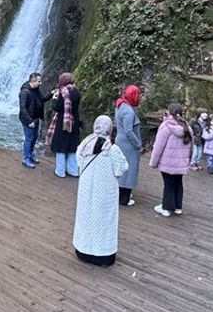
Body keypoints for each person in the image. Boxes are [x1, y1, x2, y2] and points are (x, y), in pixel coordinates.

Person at [72, 115, 128, 266]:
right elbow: (121, 168)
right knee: (103, 220)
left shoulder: (85, 144)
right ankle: (102, 255)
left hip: (86, 188)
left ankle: (83, 250)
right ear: (110, 130)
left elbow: (78, 160)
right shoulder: (112, 149)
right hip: (105, 192)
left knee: (85, 217)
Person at [149, 103, 195, 216]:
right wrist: (188, 161)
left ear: (169, 112)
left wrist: (153, 162)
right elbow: (192, 147)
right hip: (181, 163)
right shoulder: (187, 127)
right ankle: (177, 207)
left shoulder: (166, 126)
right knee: (178, 183)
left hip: (167, 163)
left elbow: (158, 146)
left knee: (168, 184)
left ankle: (166, 207)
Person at [46, 72, 82, 177]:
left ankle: (60, 171)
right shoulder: (76, 92)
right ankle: (73, 170)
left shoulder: (62, 92)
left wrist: (54, 98)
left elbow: (57, 107)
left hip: (63, 122)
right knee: (72, 147)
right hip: (74, 122)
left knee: (60, 146)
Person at [113, 84, 143, 206]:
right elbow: (129, 131)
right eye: (138, 95)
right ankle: (124, 198)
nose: (140, 97)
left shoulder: (120, 105)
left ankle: (120, 194)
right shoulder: (128, 111)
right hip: (128, 145)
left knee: (121, 168)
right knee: (129, 170)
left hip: (120, 141)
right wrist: (138, 144)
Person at [17, 72, 46, 169]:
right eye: (39, 81)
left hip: (36, 118)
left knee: (35, 137)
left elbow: (42, 99)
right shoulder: (25, 92)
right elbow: (23, 108)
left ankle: (30, 154)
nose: (40, 83)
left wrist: (51, 94)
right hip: (28, 119)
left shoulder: (36, 90)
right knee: (29, 138)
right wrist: (29, 121)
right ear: (33, 81)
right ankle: (26, 158)